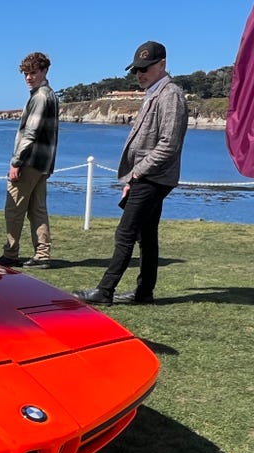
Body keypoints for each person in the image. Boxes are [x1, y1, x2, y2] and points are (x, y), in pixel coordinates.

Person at [74, 41, 187, 305]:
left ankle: (105, 289)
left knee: (126, 233)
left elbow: (169, 143)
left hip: (154, 176)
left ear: (162, 65)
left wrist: (137, 173)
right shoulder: (155, 92)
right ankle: (144, 292)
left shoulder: (170, 94)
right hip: (147, 177)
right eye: (136, 69)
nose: (139, 74)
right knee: (147, 235)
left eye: (145, 68)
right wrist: (134, 177)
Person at [0, 52, 59, 269]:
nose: (28, 77)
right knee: (37, 210)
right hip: (43, 163)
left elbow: (30, 134)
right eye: (26, 73)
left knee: (14, 208)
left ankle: (11, 253)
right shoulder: (48, 94)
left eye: (33, 72)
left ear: (44, 71)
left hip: (30, 162)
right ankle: (42, 254)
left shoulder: (41, 97)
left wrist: (16, 162)